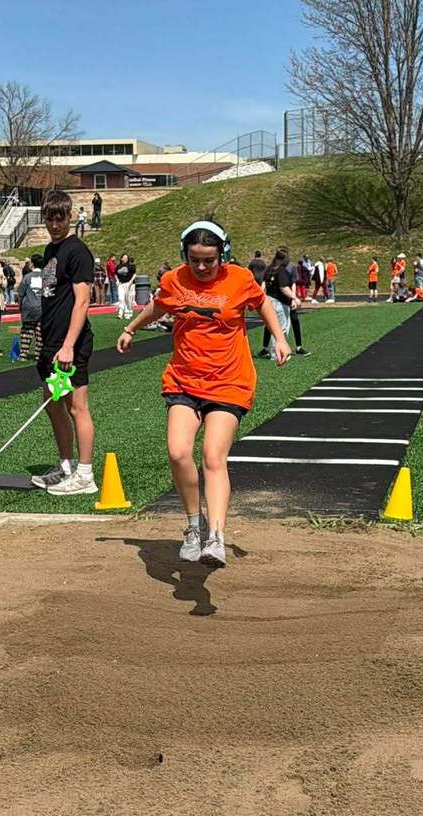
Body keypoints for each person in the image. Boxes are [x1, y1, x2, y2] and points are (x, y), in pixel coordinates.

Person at [116, 219, 291, 567]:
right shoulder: (174, 280)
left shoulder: (239, 279)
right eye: (194, 259)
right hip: (184, 378)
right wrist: (131, 328)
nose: (201, 267)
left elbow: (263, 304)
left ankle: (216, 538)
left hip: (229, 380)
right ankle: (194, 527)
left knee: (213, 456)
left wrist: (280, 339)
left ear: (222, 254)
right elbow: (159, 306)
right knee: (179, 452)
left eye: (209, 260)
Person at [30, 189, 97, 495]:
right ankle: (66, 466)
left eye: (60, 218)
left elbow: (82, 302)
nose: (55, 225)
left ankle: (85, 475)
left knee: (77, 407)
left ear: (70, 217)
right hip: (51, 341)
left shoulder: (78, 252)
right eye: (50, 219)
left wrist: (68, 345)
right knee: (52, 403)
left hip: (72, 343)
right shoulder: (50, 251)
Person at [256, 246, 310, 358]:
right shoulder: (280, 270)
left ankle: (277, 350)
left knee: (274, 326)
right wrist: (294, 298)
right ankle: (277, 353)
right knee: (281, 328)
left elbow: (264, 284)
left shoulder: (272, 268)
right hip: (280, 301)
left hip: (271, 300)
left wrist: (261, 297)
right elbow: (283, 287)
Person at [17, 253, 44, 361]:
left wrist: (20, 306)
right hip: (42, 308)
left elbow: (20, 294)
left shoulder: (27, 277)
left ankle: (23, 354)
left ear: (32, 264)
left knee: (26, 332)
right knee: (40, 333)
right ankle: (38, 355)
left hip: (28, 308)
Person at [116, 253, 135, 319]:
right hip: (121, 284)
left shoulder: (131, 266)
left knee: (128, 299)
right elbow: (116, 274)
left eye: (126, 258)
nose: (125, 259)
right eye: (124, 258)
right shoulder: (118, 266)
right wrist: (117, 281)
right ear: (121, 258)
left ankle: (128, 313)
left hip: (128, 283)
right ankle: (120, 313)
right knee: (121, 298)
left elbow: (134, 274)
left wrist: (131, 282)